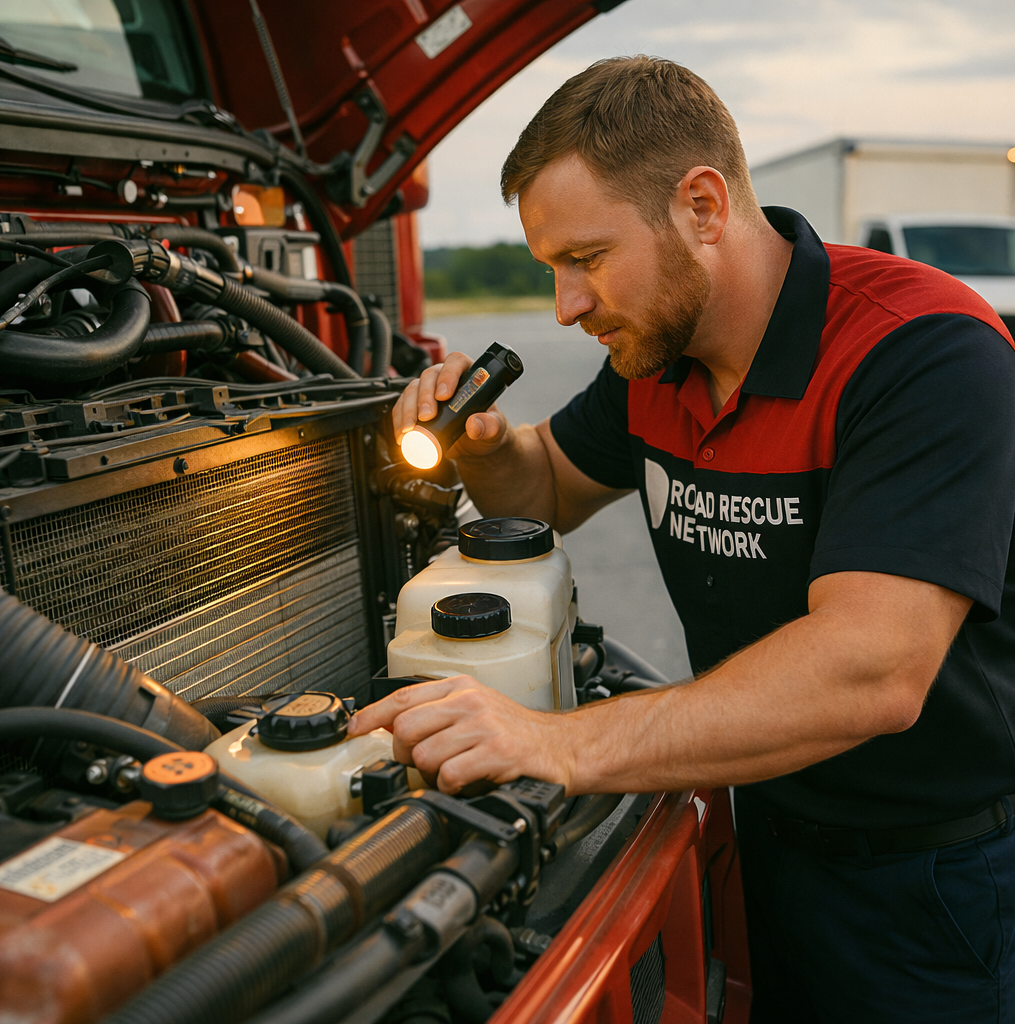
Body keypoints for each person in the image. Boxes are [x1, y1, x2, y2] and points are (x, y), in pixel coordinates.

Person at [349, 56, 1015, 1022]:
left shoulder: (921, 350)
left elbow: (873, 668)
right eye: (550, 270)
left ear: (703, 206)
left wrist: (557, 743)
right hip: (772, 836)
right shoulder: (660, 359)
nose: (565, 305)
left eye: (584, 258)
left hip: (935, 882)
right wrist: (483, 444)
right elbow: (547, 487)